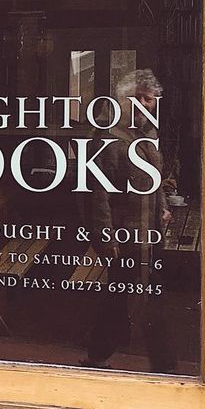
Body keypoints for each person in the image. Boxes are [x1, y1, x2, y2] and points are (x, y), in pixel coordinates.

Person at [82, 68, 175, 373]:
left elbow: (155, 180)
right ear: (124, 100)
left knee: (124, 297)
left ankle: (98, 355)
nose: (147, 105)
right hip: (126, 236)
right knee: (141, 300)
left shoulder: (148, 135)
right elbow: (98, 196)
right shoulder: (109, 138)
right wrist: (105, 240)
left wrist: (162, 206)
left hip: (150, 232)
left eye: (151, 99)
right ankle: (164, 366)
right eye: (141, 98)